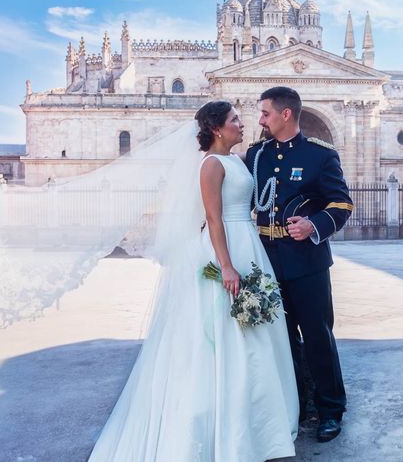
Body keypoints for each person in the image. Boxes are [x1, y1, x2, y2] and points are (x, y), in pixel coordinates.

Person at [86, 101, 298, 461]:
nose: (241, 124)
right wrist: (227, 266)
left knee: (258, 332)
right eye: (234, 120)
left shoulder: (237, 160)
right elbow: (214, 220)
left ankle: (261, 420)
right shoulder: (211, 164)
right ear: (217, 128)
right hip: (228, 247)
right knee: (226, 334)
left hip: (248, 243)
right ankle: (228, 424)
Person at [245, 86, 353, 443]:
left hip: (307, 261)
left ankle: (330, 409)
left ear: (285, 114)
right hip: (266, 260)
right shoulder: (256, 154)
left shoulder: (319, 155)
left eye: (265, 113)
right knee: (281, 338)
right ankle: (298, 404)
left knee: (318, 335)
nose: (260, 119)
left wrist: (314, 225)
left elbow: (341, 204)